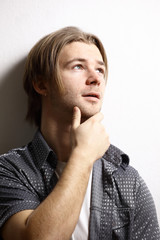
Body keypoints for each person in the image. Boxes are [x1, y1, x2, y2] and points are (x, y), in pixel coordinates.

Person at [0, 26, 159, 240]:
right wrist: (82, 156)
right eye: (77, 67)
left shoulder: (128, 182)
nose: (96, 79)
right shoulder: (10, 170)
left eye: (100, 70)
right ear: (41, 83)